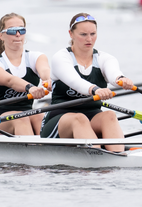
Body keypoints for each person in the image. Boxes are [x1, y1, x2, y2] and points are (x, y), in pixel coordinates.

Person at [40, 13, 135, 152]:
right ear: (71, 34)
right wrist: (96, 90)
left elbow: (113, 73)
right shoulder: (61, 57)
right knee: (79, 119)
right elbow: (75, 81)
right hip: (59, 121)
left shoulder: (104, 58)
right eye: (83, 34)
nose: (89, 39)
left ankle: (117, 156)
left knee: (109, 116)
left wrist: (121, 79)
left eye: (93, 34)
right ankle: (97, 158)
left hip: (91, 117)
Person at [0, 13, 51, 135]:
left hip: (27, 114)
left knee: (40, 116)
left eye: (21, 30)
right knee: (20, 118)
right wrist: (30, 88)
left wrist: (49, 80)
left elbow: (44, 70)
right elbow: (10, 81)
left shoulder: (36, 57)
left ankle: (44, 146)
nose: (17, 34)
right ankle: (32, 146)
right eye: (12, 31)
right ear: (1, 36)